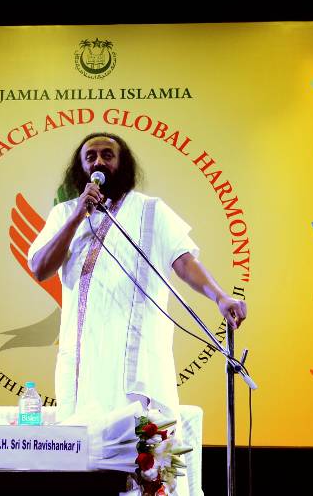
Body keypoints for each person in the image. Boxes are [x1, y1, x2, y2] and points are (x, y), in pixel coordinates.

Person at [28, 132, 247, 423]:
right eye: (90, 156)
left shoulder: (151, 209)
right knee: (82, 434)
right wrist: (77, 216)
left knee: (141, 437)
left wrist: (219, 297)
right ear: (80, 168)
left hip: (136, 353)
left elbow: (183, 261)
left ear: (123, 164)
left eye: (108, 155)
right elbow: (40, 268)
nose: (99, 162)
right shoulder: (64, 213)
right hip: (85, 353)